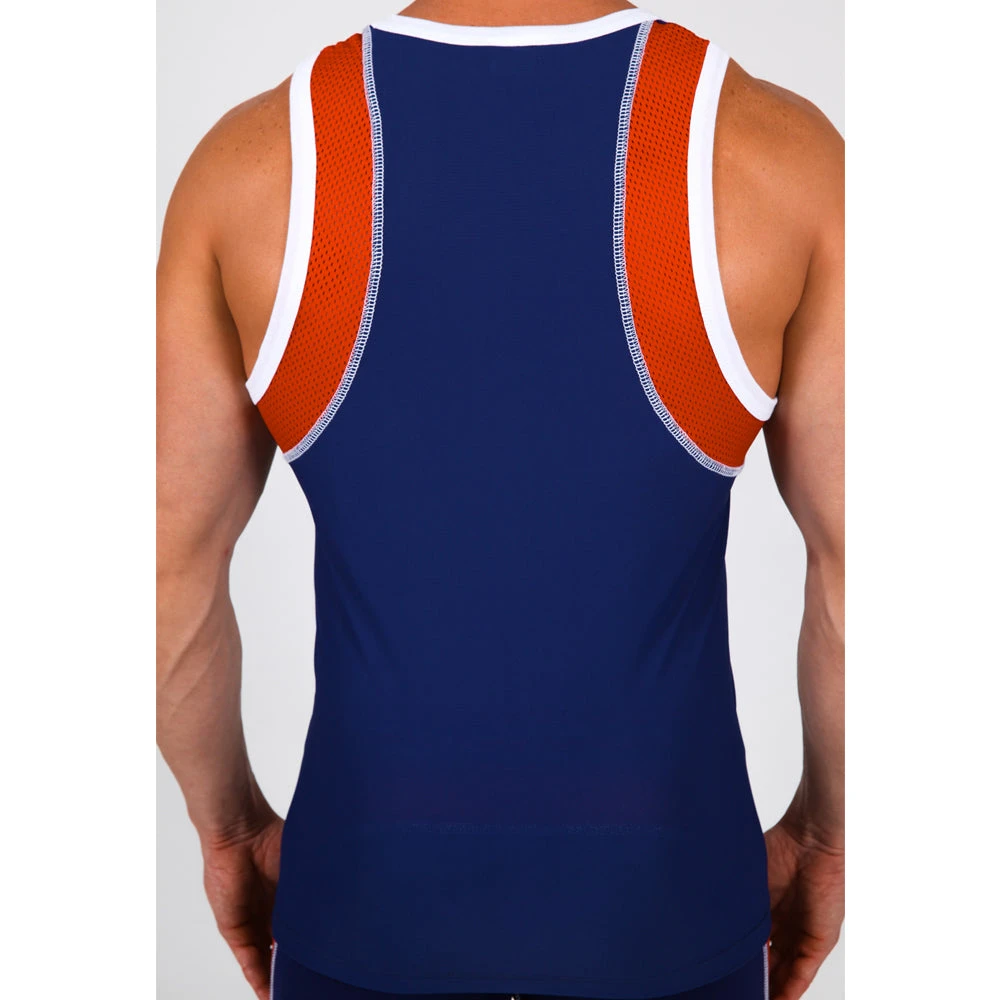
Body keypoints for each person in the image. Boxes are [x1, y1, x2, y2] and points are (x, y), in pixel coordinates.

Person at [156, 1, 844, 999]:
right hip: (667, 916)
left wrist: (227, 829)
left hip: (363, 908)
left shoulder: (255, 168)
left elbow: (164, 575)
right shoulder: (777, 160)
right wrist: (826, 833)